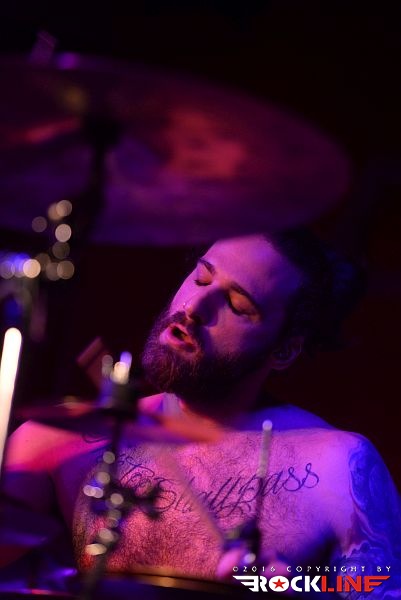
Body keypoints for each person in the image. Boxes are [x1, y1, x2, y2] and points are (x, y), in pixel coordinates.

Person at [1, 231, 400, 597]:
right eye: (201, 277)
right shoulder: (59, 440)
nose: (193, 307)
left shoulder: (339, 466)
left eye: (237, 305)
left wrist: (289, 586)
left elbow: (378, 586)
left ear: (283, 350)